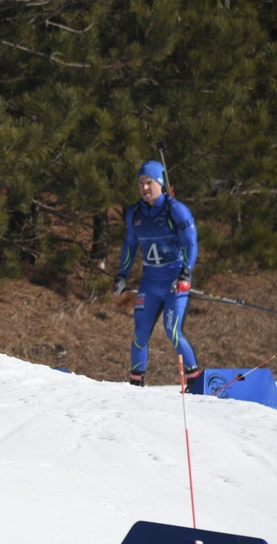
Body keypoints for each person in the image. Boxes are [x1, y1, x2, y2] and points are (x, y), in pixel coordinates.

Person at [112, 160, 200, 388]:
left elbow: (191, 243)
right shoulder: (134, 213)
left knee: (172, 330)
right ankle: (136, 383)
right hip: (150, 282)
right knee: (140, 332)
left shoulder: (175, 210)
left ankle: (194, 380)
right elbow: (130, 245)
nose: (144, 188)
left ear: (160, 183)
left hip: (174, 282)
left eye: (149, 182)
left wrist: (185, 274)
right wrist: (122, 275)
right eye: (141, 183)